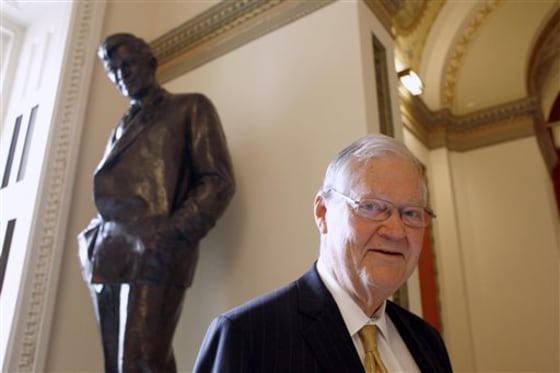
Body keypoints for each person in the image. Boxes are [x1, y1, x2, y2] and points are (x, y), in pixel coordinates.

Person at [194, 134, 452, 373]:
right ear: (323, 213)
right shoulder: (246, 336)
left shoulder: (427, 341)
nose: (396, 231)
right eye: (371, 207)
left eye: (411, 213)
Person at [77, 33, 235, 372]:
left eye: (128, 64)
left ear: (150, 61)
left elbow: (218, 180)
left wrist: (172, 232)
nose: (122, 75)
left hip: (154, 252)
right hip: (107, 254)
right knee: (117, 366)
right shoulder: (121, 126)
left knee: (142, 362)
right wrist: (91, 239)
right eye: (113, 70)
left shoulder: (190, 107)